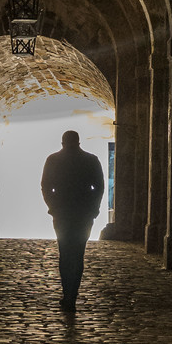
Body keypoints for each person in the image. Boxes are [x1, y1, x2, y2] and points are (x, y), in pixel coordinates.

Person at [41, 129, 106, 314]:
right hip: (83, 213)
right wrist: (94, 208)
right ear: (78, 142)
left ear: (62, 142)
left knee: (65, 252)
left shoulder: (53, 160)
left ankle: (67, 293)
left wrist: (52, 205)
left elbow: (46, 186)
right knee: (78, 254)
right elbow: (99, 187)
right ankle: (72, 294)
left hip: (62, 213)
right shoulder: (91, 160)